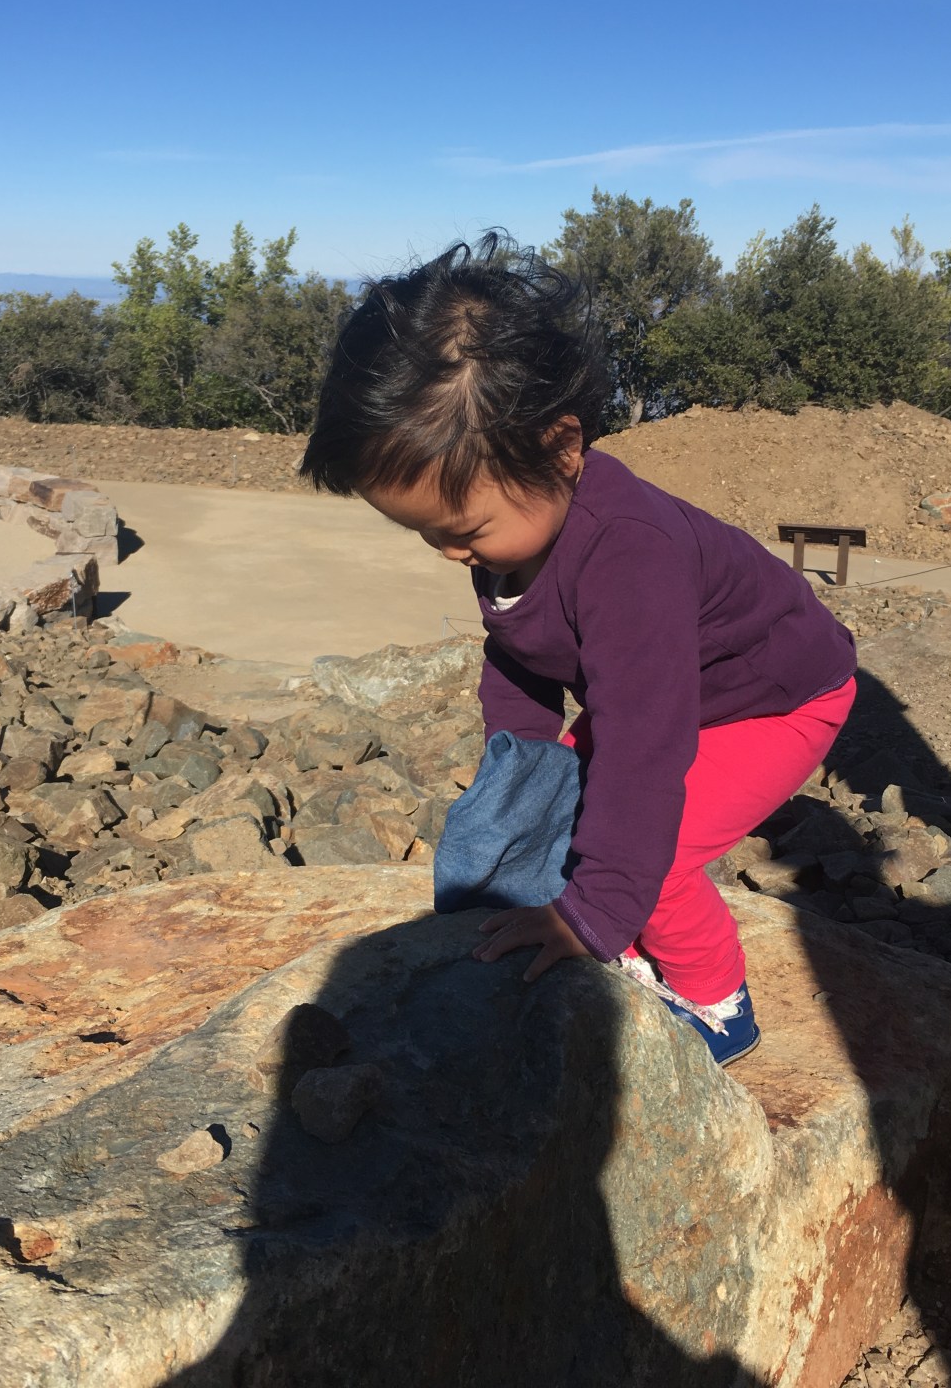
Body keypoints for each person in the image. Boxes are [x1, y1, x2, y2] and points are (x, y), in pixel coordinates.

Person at [301, 234, 856, 1066]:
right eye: (425, 534)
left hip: (775, 700)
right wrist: (522, 769)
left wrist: (594, 912)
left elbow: (644, 751)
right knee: (568, 814)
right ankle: (618, 929)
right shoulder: (513, 526)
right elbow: (517, 651)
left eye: (464, 531)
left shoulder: (631, 556)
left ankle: (717, 1004)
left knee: (655, 853)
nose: (451, 555)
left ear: (562, 447)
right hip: (673, 691)